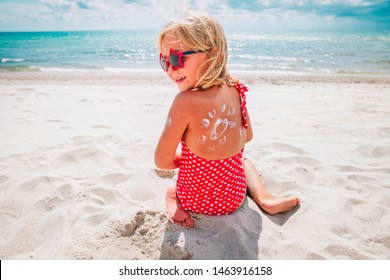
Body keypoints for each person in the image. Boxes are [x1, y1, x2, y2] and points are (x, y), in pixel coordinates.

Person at [154, 12, 300, 228]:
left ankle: (175, 206)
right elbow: (247, 136)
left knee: (170, 190)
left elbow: (162, 161)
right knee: (243, 161)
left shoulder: (184, 102)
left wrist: (192, 157)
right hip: (234, 197)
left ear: (214, 55)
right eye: (164, 61)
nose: (171, 69)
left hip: (195, 200)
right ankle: (264, 198)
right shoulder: (235, 87)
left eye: (177, 58)